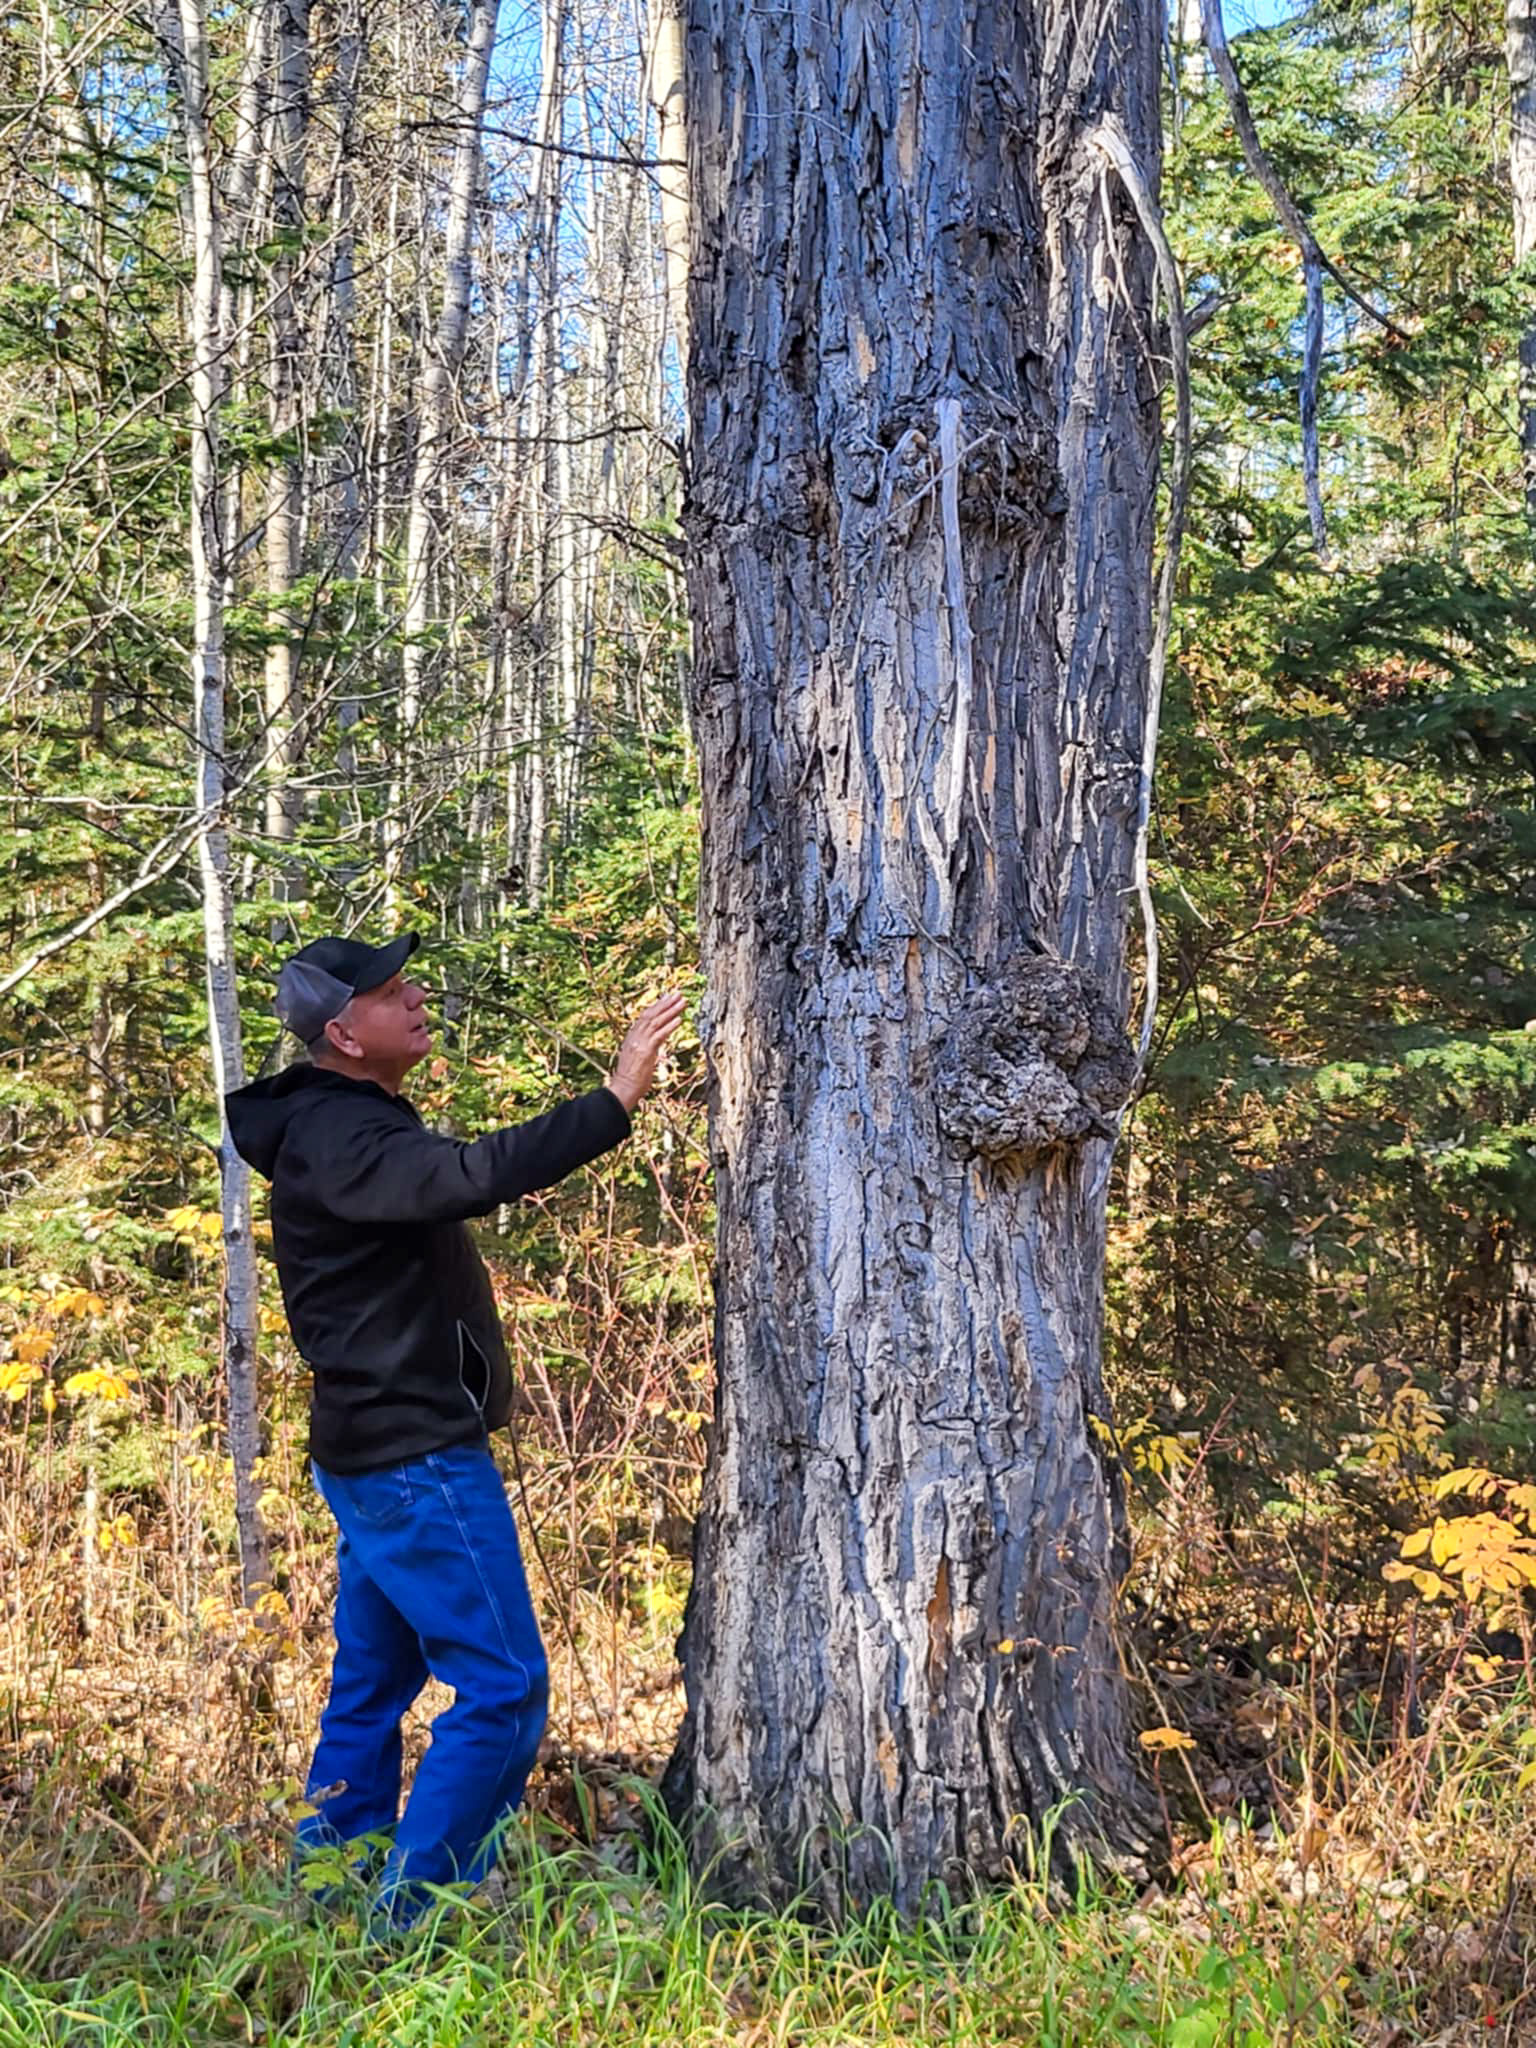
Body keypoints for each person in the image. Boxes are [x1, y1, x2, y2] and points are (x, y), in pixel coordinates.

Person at [225, 931, 685, 1930]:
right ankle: (412, 1922)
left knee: (372, 1685)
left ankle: (328, 1903)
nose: (418, 996)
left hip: (379, 1452)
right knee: (505, 1689)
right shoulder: (341, 1135)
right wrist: (614, 1100)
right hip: (412, 1458)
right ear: (343, 1030)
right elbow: (471, 1173)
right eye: (392, 991)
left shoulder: (342, 1120)